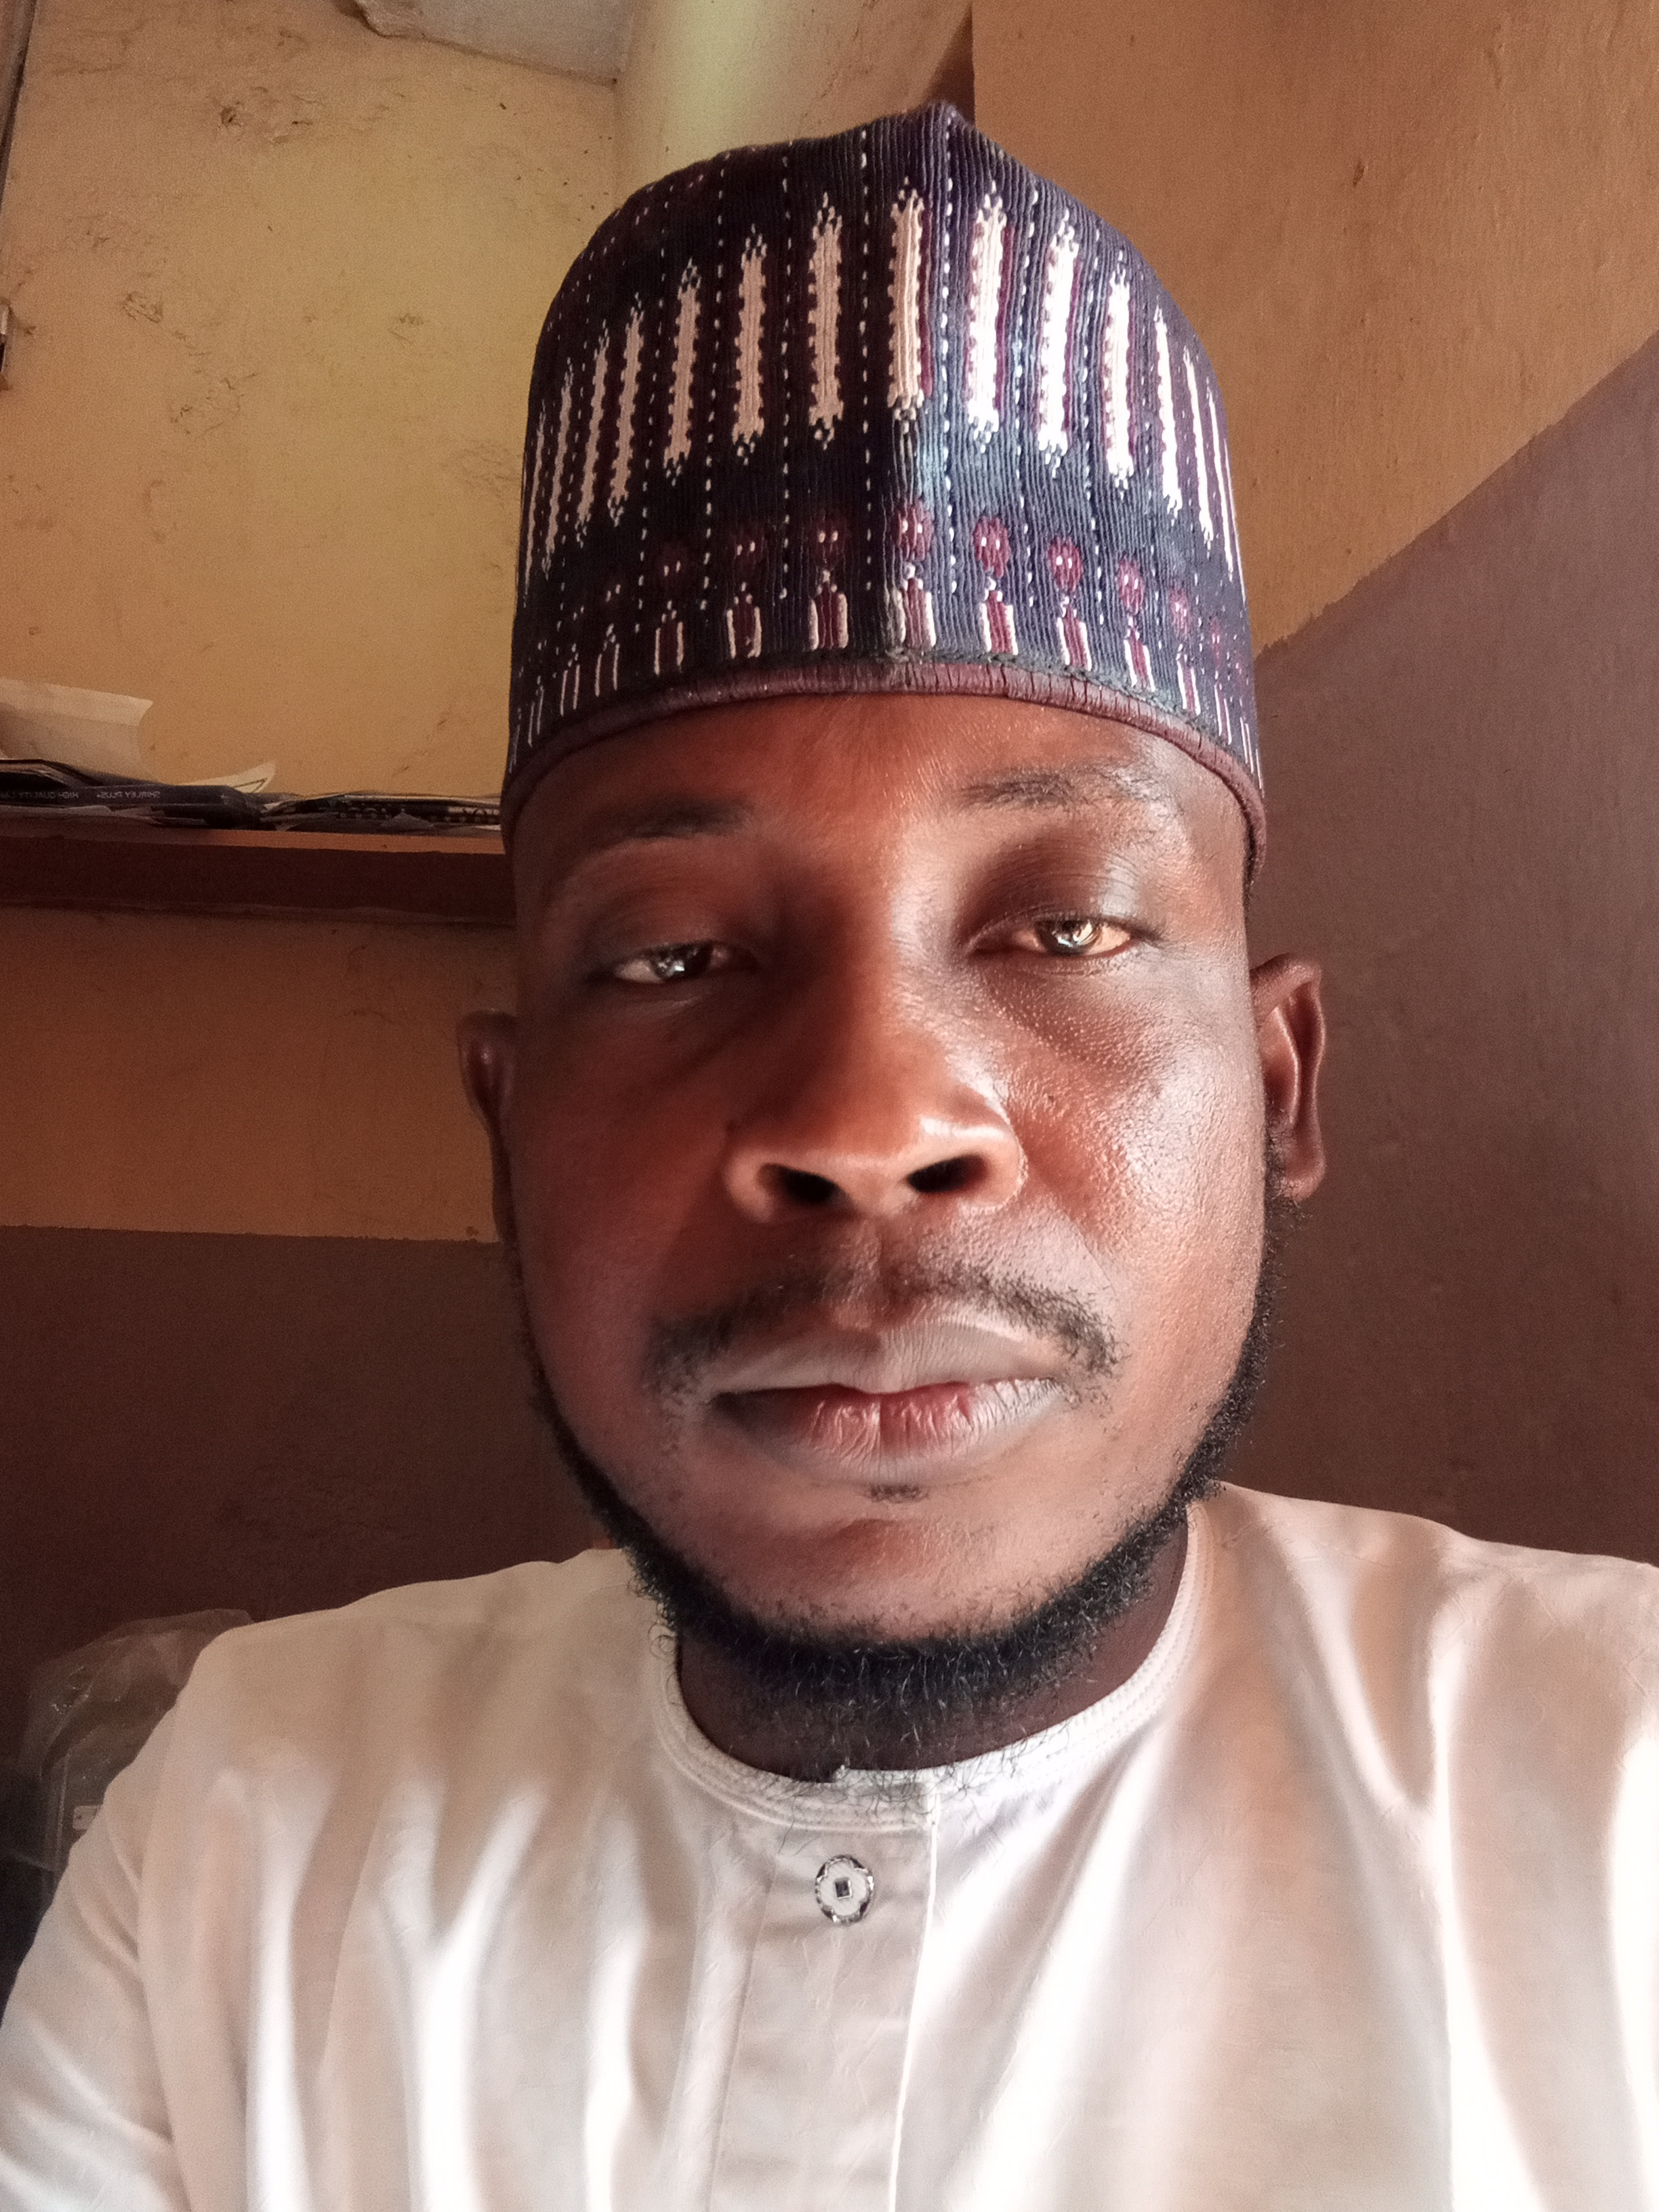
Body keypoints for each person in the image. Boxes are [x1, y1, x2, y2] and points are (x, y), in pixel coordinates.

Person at [2, 102, 1656, 2211]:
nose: (873, 1129)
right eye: (675, 955)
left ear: (1275, 1087)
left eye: (1068, 928)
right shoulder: (239, 1839)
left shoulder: (1622, 1812)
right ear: (506, 1136)